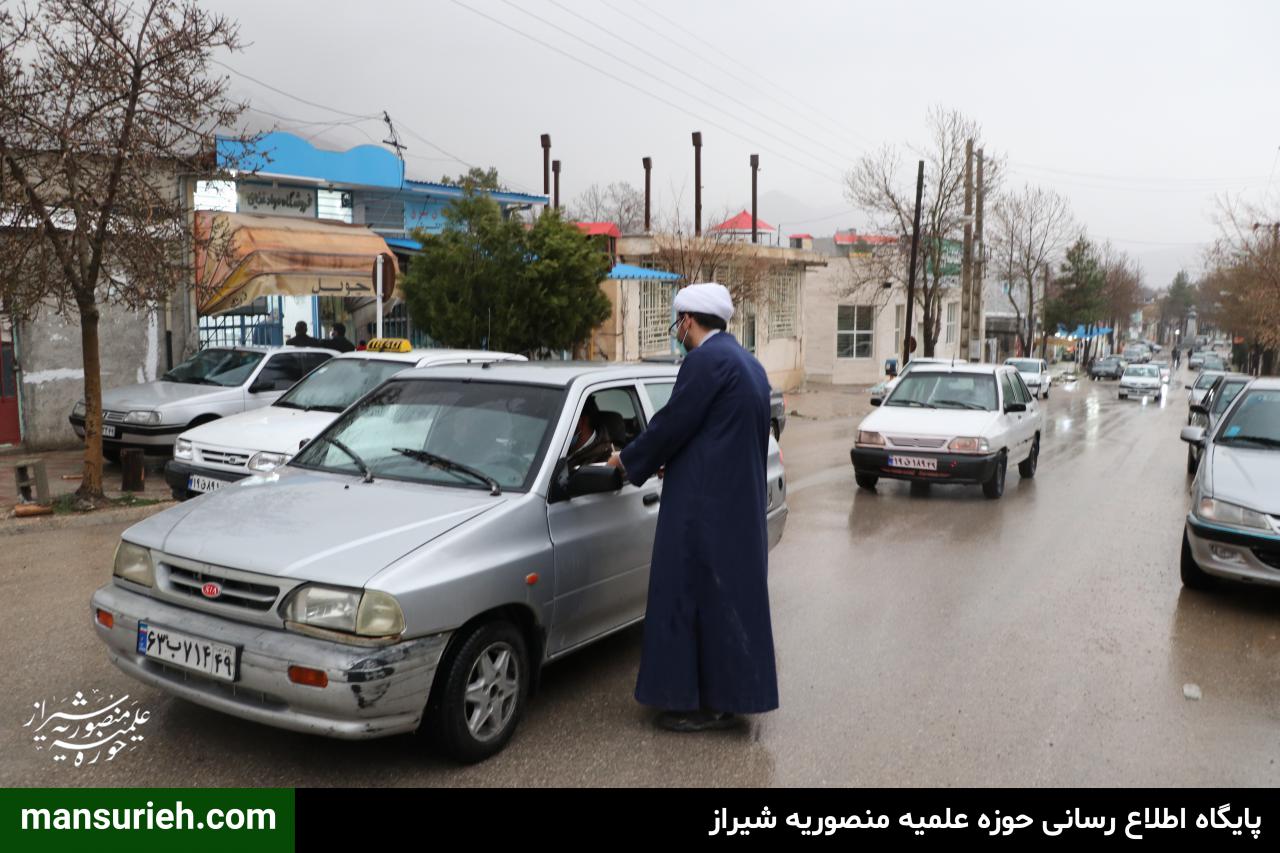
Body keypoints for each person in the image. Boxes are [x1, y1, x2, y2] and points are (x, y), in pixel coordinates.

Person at [607, 282, 778, 733]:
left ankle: (700, 705)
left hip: (704, 511)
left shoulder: (705, 362)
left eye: (677, 321)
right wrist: (682, 460)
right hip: (736, 507)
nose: (676, 330)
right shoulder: (749, 364)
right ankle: (730, 698)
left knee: (690, 600)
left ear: (687, 321)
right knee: (728, 603)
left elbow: (672, 422)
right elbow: (721, 434)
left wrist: (627, 460)